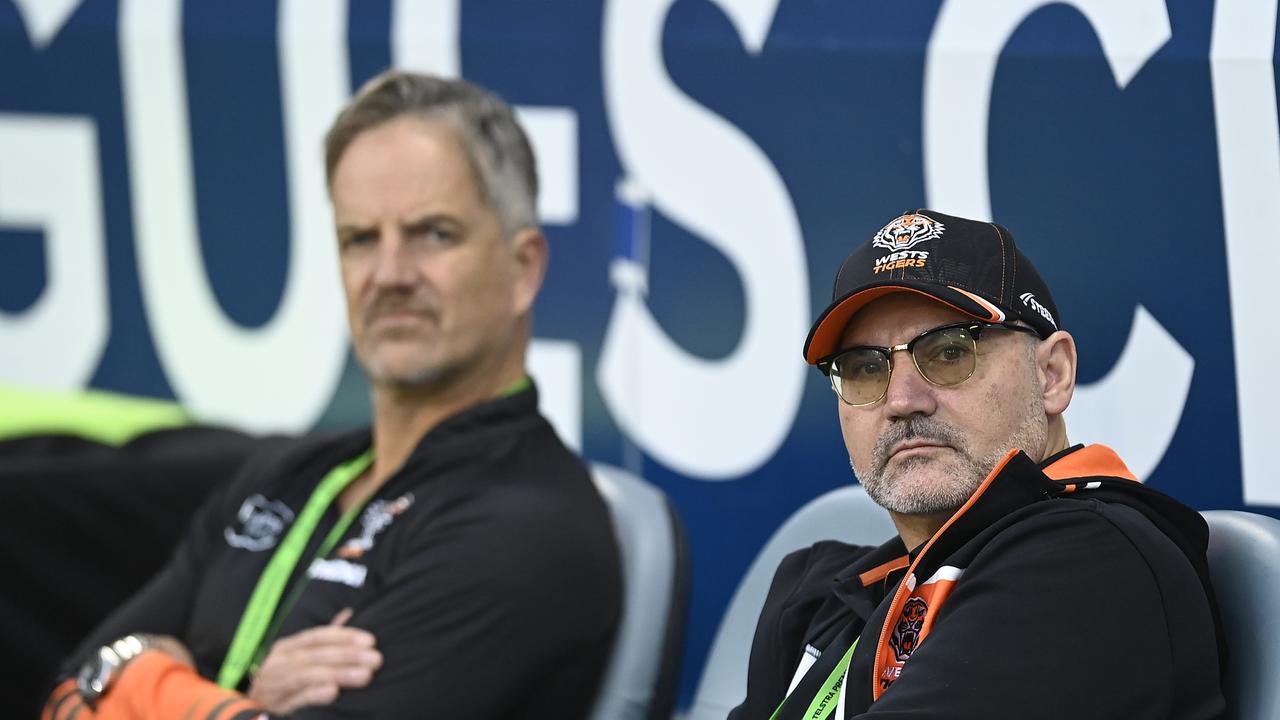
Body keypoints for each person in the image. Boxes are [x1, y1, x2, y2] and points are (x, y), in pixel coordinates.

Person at [43, 70, 621, 720]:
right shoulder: (280, 476)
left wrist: (150, 681)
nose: (391, 274)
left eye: (435, 233)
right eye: (361, 239)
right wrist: (245, 705)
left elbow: (108, 683)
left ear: (524, 269)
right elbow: (71, 690)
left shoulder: (527, 525)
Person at [731, 210, 1225, 719]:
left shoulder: (1091, 560)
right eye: (865, 367)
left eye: (949, 352)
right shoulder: (820, 596)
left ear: (1052, 374)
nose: (902, 399)